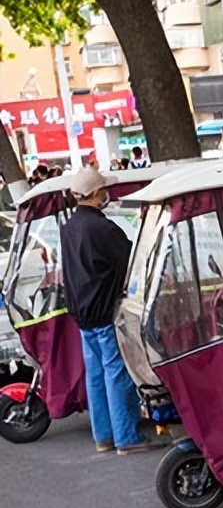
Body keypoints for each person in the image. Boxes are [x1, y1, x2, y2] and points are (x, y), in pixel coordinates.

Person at [58, 167, 158, 455]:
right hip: (104, 310)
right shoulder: (102, 229)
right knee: (117, 373)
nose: (108, 194)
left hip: (81, 311)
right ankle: (126, 437)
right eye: (104, 190)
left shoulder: (70, 227)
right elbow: (133, 258)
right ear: (96, 194)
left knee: (97, 374)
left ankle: (103, 435)